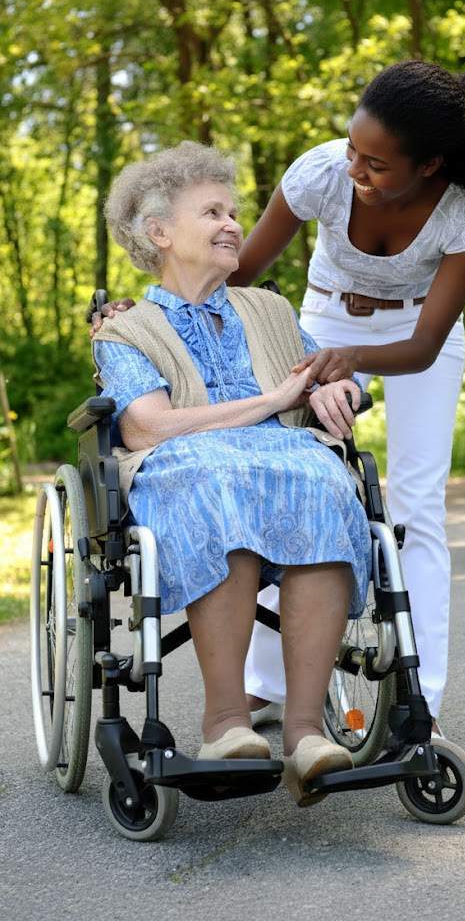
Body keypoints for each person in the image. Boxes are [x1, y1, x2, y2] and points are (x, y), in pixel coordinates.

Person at [95, 59, 465, 734]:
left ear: (429, 166)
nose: (355, 166)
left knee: (413, 504)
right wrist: (141, 320)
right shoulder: (322, 172)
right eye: (353, 147)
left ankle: (422, 705)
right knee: (271, 466)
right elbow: (237, 281)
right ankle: (265, 691)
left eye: (376, 164)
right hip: (322, 314)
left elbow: (420, 347)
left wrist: (343, 369)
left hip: (415, 329)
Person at [94, 140, 372, 806]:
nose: (232, 224)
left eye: (233, 212)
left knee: (326, 481)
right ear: (158, 232)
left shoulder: (270, 312)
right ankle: (225, 724)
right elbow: (145, 427)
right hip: (184, 470)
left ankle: (306, 732)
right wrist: (274, 402)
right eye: (211, 212)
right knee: (217, 487)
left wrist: (339, 392)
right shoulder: (125, 332)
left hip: (286, 462)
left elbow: (329, 377)